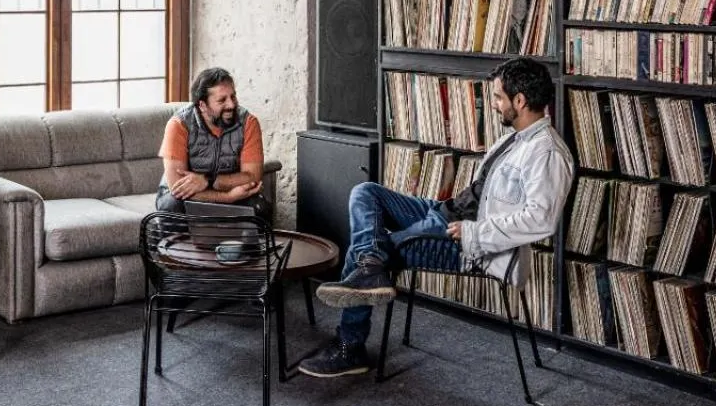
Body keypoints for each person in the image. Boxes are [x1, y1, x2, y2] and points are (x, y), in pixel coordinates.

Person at [297, 57, 573, 378]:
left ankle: (351, 346)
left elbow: (540, 220)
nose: (494, 104)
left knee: (373, 251)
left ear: (520, 101)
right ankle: (369, 269)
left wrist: (472, 233)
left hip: (466, 244)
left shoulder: (547, 153)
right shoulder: (516, 137)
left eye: (499, 97)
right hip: (444, 213)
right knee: (366, 193)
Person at [156, 67, 268, 216]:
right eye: (222, 100)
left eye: (233, 97)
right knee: (172, 205)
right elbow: (177, 187)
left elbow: (253, 177)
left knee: (259, 206)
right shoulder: (179, 124)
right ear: (202, 105)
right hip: (188, 196)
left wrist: (208, 180)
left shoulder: (248, 122)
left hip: (228, 190)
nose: (231, 105)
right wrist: (228, 197)